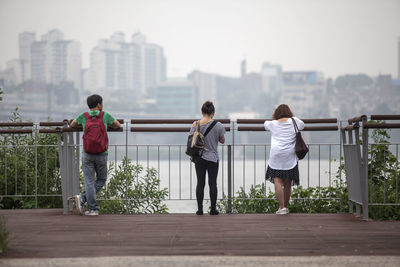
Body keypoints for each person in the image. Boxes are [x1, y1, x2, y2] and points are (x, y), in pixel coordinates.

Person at [70, 94, 121, 216]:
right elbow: (118, 125)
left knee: (89, 181)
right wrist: (108, 125)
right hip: (102, 153)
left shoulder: (84, 116)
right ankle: (85, 200)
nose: (102, 105)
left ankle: (89, 206)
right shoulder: (105, 115)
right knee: (102, 179)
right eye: (102, 103)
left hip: (87, 153)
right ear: (99, 104)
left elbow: (72, 125)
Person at [264, 104, 304, 215]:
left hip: (276, 154)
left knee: (277, 180)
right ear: (289, 112)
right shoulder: (294, 121)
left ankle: (281, 208)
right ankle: (285, 207)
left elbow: (265, 124)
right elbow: (302, 125)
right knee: (288, 182)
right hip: (289, 155)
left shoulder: (272, 124)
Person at [190, 101, 226, 215]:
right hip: (212, 158)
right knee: (212, 183)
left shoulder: (195, 124)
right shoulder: (218, 125)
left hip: (199, 158)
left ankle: (200, 210)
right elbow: (222, 140)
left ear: (202, 111)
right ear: (213, 112)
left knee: (200, 183)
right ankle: (213, 209)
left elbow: (191, 138)